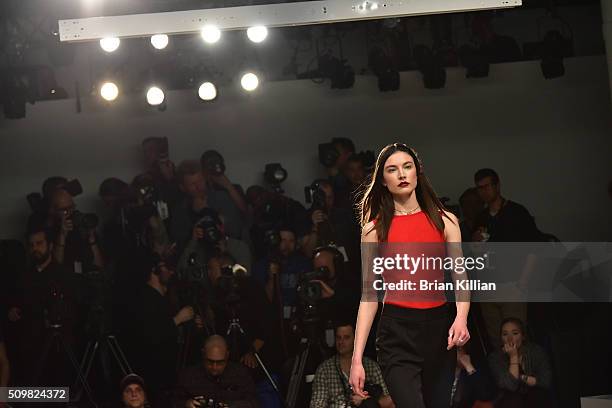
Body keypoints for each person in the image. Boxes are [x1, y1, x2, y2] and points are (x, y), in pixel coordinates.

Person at [349, 143, 470, 408]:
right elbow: (369, 295)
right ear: (383, 179)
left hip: (439, 331)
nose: (402, 174)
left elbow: (460, 277)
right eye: (392, 170)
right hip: (396, 333)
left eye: (407, 167)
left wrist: (461, 318)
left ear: (418, 172)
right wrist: (357, 359)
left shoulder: (446, 221)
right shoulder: (374, 229)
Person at [310, 322, 393, 408]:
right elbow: (317, 404)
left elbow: (390, 401)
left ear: (355, 339)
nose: (341, 342)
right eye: (338, 337)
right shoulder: (324, 370)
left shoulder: (372, 366)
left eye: (346, 337)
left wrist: (367, 401)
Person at [176, 335, 258, 408]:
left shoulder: (240, 374)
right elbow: (174, 401)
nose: (214, 367)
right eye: (210, 361)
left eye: (220, 362)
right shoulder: (189, 375)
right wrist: (186, 404)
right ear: (203, 354)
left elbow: (254, 402)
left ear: (227, 355)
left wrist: (232, 406)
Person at [487, 318, 553, 408]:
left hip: (535, 398)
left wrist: (521, 377)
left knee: (537, 395)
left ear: (523, 336)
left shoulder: (536, 351)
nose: (510, 338)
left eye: (515, 333)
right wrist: (513, 356)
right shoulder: (495, 358)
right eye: (505, 334)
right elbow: (511, 386)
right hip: (511, 401)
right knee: (512, 399)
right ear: (501, 338)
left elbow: (545, 381)